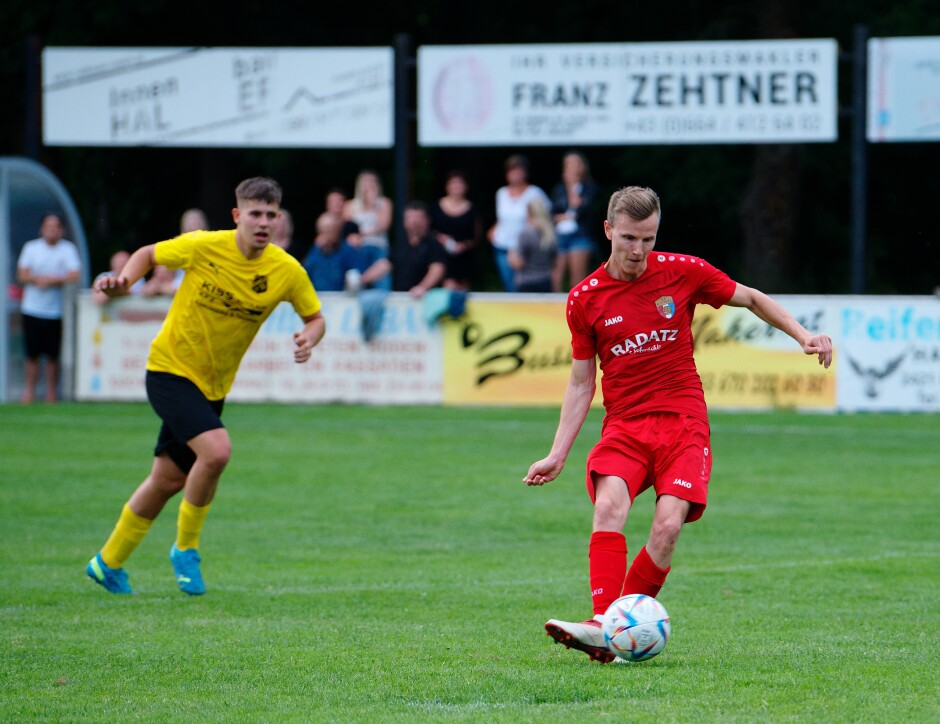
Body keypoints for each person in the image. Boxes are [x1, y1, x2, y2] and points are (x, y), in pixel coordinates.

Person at [524, 186, 833, 663]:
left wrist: (803, 334)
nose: (638, 250)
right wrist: (557, 453)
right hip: (625, 426)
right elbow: (582, 383)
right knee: (609, 507)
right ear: (608, 231)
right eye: (628, 237)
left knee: (667, 527)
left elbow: (749, 297)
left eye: (648, 238)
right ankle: (605, 624)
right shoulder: (584, 299)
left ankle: (608, 633)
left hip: (683, 423)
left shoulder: (684, 272)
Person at [87, 177, 325, 596]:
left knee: (166, 480)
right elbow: (147, 254)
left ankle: (107, 562)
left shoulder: (286, 271)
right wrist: (125, 281)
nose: (263, 222)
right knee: (216, 451)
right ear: (237, 216)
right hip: (169, 370)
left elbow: (315, 317)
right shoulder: (203, 245)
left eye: (271, 215)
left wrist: (310, 338)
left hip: (212, 388)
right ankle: (186, 550)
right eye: (255, 213)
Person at [16, 213, 82, 403]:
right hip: (32, 309)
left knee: (52, 355)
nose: (52, 230)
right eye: (49, 226)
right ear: (42, 229)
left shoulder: (67, 249)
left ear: (61, 230)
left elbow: (74, 274)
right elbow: (22, 274)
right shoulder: (31, 248)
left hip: (55, 311)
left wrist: (52, 280)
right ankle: (29, 392)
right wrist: (39, 280)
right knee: (31, 354)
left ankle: (51, 394)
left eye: (56, 227)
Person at [488, 154, 550, 292]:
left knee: (523, 285)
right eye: (512, 170)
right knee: (509, 286)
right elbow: (502, 218)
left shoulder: (535, 192)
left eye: (518, 170)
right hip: (502, 246)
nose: (515, 174)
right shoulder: (501, 193)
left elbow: (545, 217)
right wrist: (492, 231)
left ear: (525, 173)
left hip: (525, 248)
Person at [302, 212, 391, 292]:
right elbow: (304, 275)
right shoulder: (314, 252)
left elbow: (358, 276)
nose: (329, 234)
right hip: (319, 299)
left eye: (332, 229)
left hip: (342, 300)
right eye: (325, 230)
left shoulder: (348, 250)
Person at [550, 151, 599, 292]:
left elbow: (580, 208)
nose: (571, 168)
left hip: (580, 235)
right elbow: (554, 212)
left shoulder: (590, 188)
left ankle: (576, 309)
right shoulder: (559, 189)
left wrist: (572, 186)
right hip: (560, 235)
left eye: (575, 164)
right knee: (556, 277)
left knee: (576, 279)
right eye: (568, 164)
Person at [430, 170, 481, 292]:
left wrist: (464, 245)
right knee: (449, 289)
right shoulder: (436, 207)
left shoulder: (472, 209)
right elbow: (429, 231)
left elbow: (477, 235)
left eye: (460, 183)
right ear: (447, 186)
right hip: (442, 256)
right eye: (453, 183)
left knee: (463, 293)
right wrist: (442, 239)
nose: (457, 187)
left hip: (464, 258)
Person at [395, 201, 447, 298]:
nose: (415, 222)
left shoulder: (434, 244)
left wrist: (422, 287)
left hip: (427, 298)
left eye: (418, 217)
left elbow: (437, 268)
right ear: (404, 221)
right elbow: (386, 264)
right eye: (410, 218)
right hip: (400, 300)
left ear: (427, 220)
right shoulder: (400, 243)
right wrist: (361, 280)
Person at [508, 198, 557, 293]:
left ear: (529, 213)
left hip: (527, 282)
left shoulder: (526, 233)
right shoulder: (551, 233)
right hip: (546, 281)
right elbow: (554, 262)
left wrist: (510, 255)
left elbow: (519, 263)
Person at [344, 170, 392, 251]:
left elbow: (383, 227)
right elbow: (348, 230)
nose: (369, 184)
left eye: (372, 181)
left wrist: (374, 205)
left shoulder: (384, 203)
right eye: (365, 181)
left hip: (378, 245)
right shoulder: (350, 205)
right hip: (356, 246)